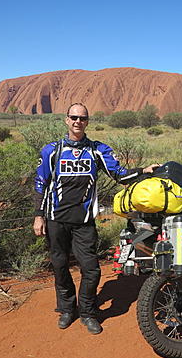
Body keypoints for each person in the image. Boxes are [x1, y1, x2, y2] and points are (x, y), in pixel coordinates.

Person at [33, 103, 158, 334]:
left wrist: (143, 171)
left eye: (82, 118)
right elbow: (41, 183)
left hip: (84, 221)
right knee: (60, 266)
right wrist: (38, 216)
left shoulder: (97, 150)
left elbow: (118, 174)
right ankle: (68, 309)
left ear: (87, 122)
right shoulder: (52, 150)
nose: (77, 121)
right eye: (74, 117)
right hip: (55, 218)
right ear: (66, 120)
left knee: (91, 270)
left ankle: (88, 312)